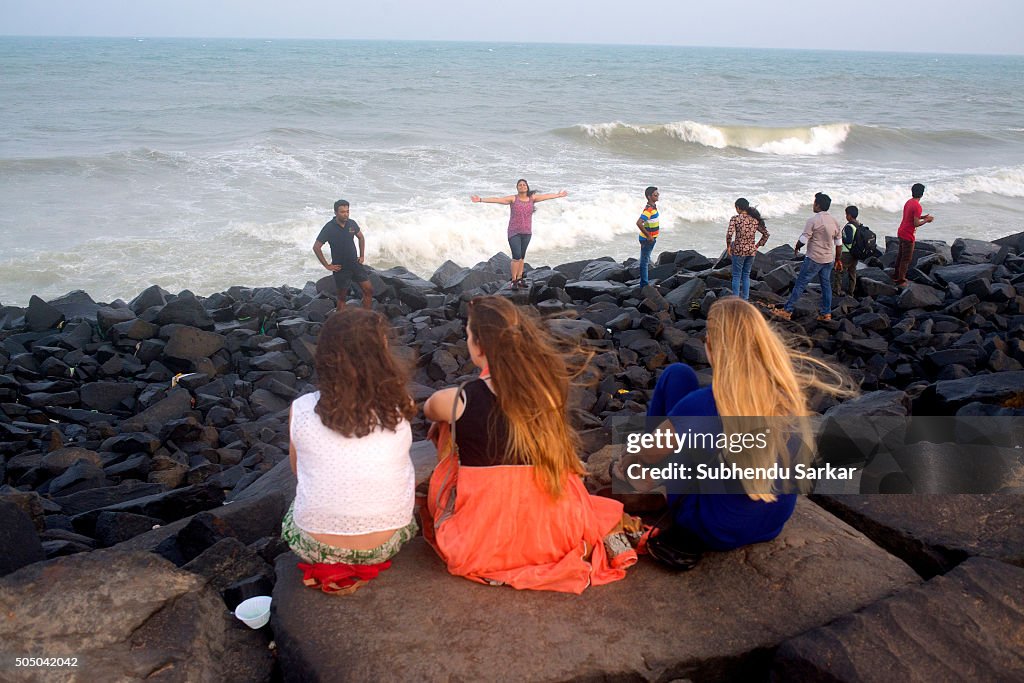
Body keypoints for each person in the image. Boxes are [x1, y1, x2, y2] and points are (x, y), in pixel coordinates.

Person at [422, 296, 636, 593]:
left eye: (469, 335)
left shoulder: (460, 398)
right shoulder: (545, 391)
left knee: (448, 424)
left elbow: (429, 409)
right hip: (552, 535)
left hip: (482, 543)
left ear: (479, 345)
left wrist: (446, 422)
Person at [615, 297, 855, 551]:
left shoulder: (706, 404)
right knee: (681, 380)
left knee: (676, 378)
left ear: (713, 347)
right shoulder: (785, 393)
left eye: (708, 335)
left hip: (711, 527)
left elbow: (650, 452)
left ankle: (652, 482)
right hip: (771, 524)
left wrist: (631, 460)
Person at [282, 309, 417, 594]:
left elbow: (299, 471)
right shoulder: (400, 404)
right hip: (385, 543)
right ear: (382, 355)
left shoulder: (302, 408)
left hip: (315, 546)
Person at [471, 179, 568, 290]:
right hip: (514, 232)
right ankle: (514, 280)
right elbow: (498, 200)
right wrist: (480, 200)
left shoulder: (532, 199)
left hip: (527, 232)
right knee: (516, 257)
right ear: (517, 188)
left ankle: (520, 278)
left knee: (522, 257)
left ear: (527, 187)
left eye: (524, 184)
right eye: (520, 185)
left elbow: (546, 196)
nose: (522, 186)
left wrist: (558, 195)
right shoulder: (513, 199)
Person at [773, 192, 842, 322]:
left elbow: (804, 239)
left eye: (814, 202)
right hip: (829, 259)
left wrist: (797, 246)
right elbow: (838, 243)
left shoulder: (813, 220)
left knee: (800, 283)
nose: (813, 204)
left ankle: (787, 310)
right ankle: (826, 313)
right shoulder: (835, 221)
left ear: (818, 205)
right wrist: (838, 259)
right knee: (826, 286)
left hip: (814, 258)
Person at [313, 199, 373, 310]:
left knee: (368, 290)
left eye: (347, 211)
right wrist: (327, 265)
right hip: (341, 268)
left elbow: (361, 237)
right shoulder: (329, 228)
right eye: (342, 212)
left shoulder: (352, 223)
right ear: (335, 212)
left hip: (355, 264)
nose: (346, 214)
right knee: (341, 298)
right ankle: (340, 324)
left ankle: (366, 317)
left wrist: (362, 255)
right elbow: (316, 247)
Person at [725, 198, 770, 300]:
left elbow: (729, 234)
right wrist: (758, 245)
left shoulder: (735, 219)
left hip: (739, 250)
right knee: (746, 275)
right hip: (751, 251)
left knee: (736, 275)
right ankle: (745, 299)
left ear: (738, 208)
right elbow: (766, 234)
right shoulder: (754, 220)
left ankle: (736, 299)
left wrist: (728, 246)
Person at [893, 183, 935, 287]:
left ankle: (896, 275)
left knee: (900, 255)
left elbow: (911, 216)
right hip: (908, 234)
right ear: (922, 194)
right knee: (906, 259)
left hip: (901, 231)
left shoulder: (909, 202)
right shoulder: (917, 206)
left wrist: (922, 216)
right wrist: (926, 220)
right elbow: (916, 223)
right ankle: (901, 280)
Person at [832, 205, 862, 296]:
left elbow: (848, 240)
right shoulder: (858, 225)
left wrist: (840, 236)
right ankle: (851, 292)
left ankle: (836, 291)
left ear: (849, 215)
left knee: (839, 272)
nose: (846, 216)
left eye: (846, 214)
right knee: (852, 272)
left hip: (846, 253)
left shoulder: (849, 226)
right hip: (855, 253)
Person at [636, 186, 661, 287]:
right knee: (645, 262)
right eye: (655, 194)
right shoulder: (649, 209)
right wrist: (649, 236)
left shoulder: (653, 207)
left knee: (646, 259)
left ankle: (645, 282)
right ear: (649, 197)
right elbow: (638, 223)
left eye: (658, 193)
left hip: (650, 239)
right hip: (647, 240)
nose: (658, 195)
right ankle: (644, 285)